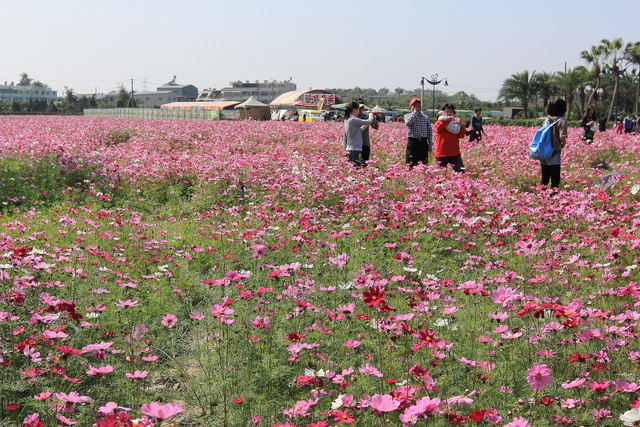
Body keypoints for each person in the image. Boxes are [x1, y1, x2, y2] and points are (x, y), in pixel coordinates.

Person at [539, 99, 568, 191]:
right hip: (553, 152)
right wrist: (563, 143)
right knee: (555, 179)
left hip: (543, 152)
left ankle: (541, 197)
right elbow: (562, 137)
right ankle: (553, 198)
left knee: (545, 178)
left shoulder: (546, 120)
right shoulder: (562, 121)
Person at [434, 102, 467, 173]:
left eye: (451, 112)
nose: (449, 113)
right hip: (442, 153)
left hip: (454, 153)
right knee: (441, 175)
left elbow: (461, 135)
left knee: (461, 173)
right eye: (447, 112)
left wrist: (461, 125)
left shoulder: (455, 124)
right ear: (443, 113)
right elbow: (438, 128)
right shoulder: (439, 122)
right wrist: (448, 119)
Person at [343, 101, 374, 168]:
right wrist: (371, 115)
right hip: (355, 149)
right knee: (356, 168)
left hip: (351, 148)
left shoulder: (347, 119)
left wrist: (367, 124)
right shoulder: (353, 119)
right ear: (354, 110)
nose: (359, 111)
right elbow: (369, 121)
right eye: (358, 109)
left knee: (352, 167)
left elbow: (360, 130)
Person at [404, 98, 433, 167]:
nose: (417, 107)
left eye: (418, 105)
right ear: (410, 107)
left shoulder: (425, 117)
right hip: (413, 143)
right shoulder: (407, 116)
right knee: (411, 163)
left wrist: (430, 144)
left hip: (423, 143)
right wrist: (415, 113)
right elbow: (408, 123)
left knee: (423, 163)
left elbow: (429, 131)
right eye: (414, 105)